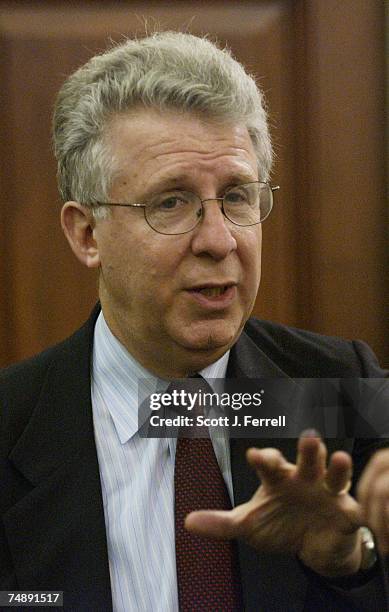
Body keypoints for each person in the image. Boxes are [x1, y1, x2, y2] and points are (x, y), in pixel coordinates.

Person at [1, 31, 388, 612]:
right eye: (170, 202)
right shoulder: (11, 425)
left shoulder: (338, 393)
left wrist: (348, 563)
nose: (219, 240)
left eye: (237, 195)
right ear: (86, 234)